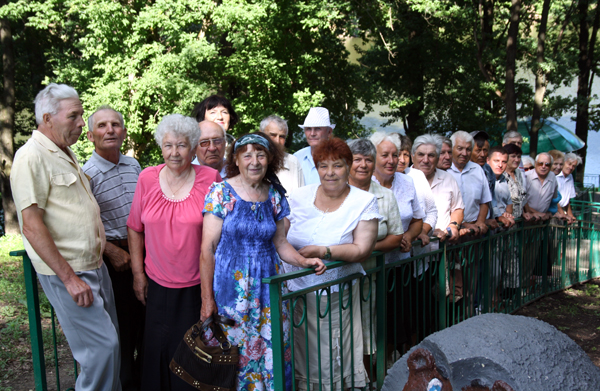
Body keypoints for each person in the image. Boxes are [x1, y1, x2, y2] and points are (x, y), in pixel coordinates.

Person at [11, 84, 121, 391]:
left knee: (111, 351)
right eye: (74, 116)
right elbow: (31, 226)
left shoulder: (64, 152)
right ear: (47, 118)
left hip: (93, 266)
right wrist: (70, 279)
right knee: (101, 351)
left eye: (81, 115)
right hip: (69, 273)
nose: (80, 123)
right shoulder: (30, 157)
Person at [200, 133, 325, 391]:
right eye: (247, 155)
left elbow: (280, 243)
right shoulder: (220, 192)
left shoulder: (275, 195)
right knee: (233, 352)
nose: (254, 161)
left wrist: (304, 260)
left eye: (260, 155)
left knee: (274, 348)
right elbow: (207, 249)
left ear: (270, 159)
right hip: (231, 291)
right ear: (236, 159)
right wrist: (206, 300)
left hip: (269, 287)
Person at [127, 114, 222, 391]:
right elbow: (134, 228)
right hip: (156, 285)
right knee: (156, 354)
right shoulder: (146, 178)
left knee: (193, 359)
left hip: (197, 286)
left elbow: (220, 236)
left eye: (181, 145)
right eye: (168, 146)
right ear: (161, 148)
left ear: (193, 149)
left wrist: (209, 295)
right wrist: (137, 274)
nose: (174, 152)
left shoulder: (210, 178)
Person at [286, 138, 380, 391]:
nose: (330, 173)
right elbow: (278, 234)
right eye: (323, 166)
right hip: (292, 291)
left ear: (348, 166)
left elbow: (362, 249)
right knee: (296, 351)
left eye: (337, 166)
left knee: (327, 355)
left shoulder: (364, 202)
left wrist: (323, 251)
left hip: (333, 294)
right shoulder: (298, 196)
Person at [83, 105, 144, 391]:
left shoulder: (134, 166)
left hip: (143, 257)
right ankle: (124, 383)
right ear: (90, 135)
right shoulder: (87, 174)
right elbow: (83, 224)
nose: (110, 130)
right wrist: (110, 250)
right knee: (121, 331)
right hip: (115, 262)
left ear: (124, 131)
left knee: (147, 326)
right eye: (102, 125)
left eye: (116, 125)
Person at [347, 138, 404, 376]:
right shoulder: (335, 191)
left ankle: (369, 376)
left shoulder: (385, 196)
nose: (362, 165)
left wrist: (365, 249)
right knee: (344, 326)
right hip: (338, 276)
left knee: (369, 326)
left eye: (368, 160)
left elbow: (396, 237)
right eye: (357, 160)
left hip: (371, 275)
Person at [412, 134, 465, 243]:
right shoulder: (403, 179)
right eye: (421, 155)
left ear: (437, 158)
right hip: (413, 249)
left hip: (442, 247)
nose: (426, 160)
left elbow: (458, 208)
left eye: (431, 155)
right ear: (413, 157)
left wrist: (453, 226)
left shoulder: (448, 178)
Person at [395, 134, 438, 249]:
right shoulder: (380, 180)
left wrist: (422, 231)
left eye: (406, 155)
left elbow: (432, 211)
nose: (402, 160)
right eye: (398, 154)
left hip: (417, 252)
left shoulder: (417, 176)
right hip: (391, 252)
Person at [447, 131, 492, 236]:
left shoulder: (477, 169)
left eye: (468, 149)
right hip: (451, 231)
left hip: (474, 231)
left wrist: (480, 221)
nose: (464, 153)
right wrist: (461, 224)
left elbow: (485, 201)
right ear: (451, 148)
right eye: (460, 149)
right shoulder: (444, 170)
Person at [260, 115, 305, 196]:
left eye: (282, 137)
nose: (277, 141)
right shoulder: (250, 161)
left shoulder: (292, 162)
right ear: (261, 134)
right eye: (273, 135)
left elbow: (301, 199)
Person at [293, 107, 334, 185]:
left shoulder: (339, 157)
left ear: (329, 132)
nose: (312, 133)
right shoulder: (297, 157)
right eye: (308, 129)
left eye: (317, 129)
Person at [523, 153, 560, 220]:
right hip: (526, 219)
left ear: (551, 166)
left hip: (542, 221)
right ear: (535, 164)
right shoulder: (526, 176)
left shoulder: (552, 177)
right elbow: (521, 201)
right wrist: (535, 212)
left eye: (547, 164)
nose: (543, 166)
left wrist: (550, 212)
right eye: (540, 163)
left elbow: (553, 199)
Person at [487, 147, 515, 228]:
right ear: (488, 160)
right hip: (488, 228)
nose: (500, 165)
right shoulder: (483, 179)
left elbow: (509, 204)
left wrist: (507, 214)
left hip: (502, 228)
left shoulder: (505, 180)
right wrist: (500, 216)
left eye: (504, 162)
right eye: (496, 161)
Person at [502, 143, 527, 220]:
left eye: (519, 157)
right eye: (513, 156)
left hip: (518, 221)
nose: (516, 160)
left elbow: (520, 198)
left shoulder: (518, 173)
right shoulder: (500, 174)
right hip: (505, 221)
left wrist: (524, 213)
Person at [557, 152, 582, 223]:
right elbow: (553, 198)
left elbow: (567, 200)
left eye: (574, 166)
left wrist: (570, 215)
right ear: (563, 162)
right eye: (569, 164)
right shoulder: (556, 176)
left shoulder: (570, 176)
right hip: (554, 211)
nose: (571, 167)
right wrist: (562, 213)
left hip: (561, 211)